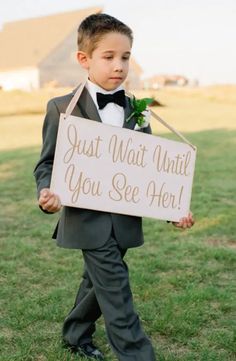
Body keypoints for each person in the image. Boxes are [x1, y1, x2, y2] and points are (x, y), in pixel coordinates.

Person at [34, 13, 194, 361]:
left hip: (123, 219)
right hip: (85, 219)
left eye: (125, 56)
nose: (119, 65)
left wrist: (173, 211)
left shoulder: (139, 110)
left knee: (97, 283)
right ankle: (137, 354)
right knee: (117, 293)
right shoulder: (61, 107)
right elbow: (46, 163)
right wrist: (46, 193)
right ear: (84, 59)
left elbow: (153, 171)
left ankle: (75, 334)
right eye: (108, 56)